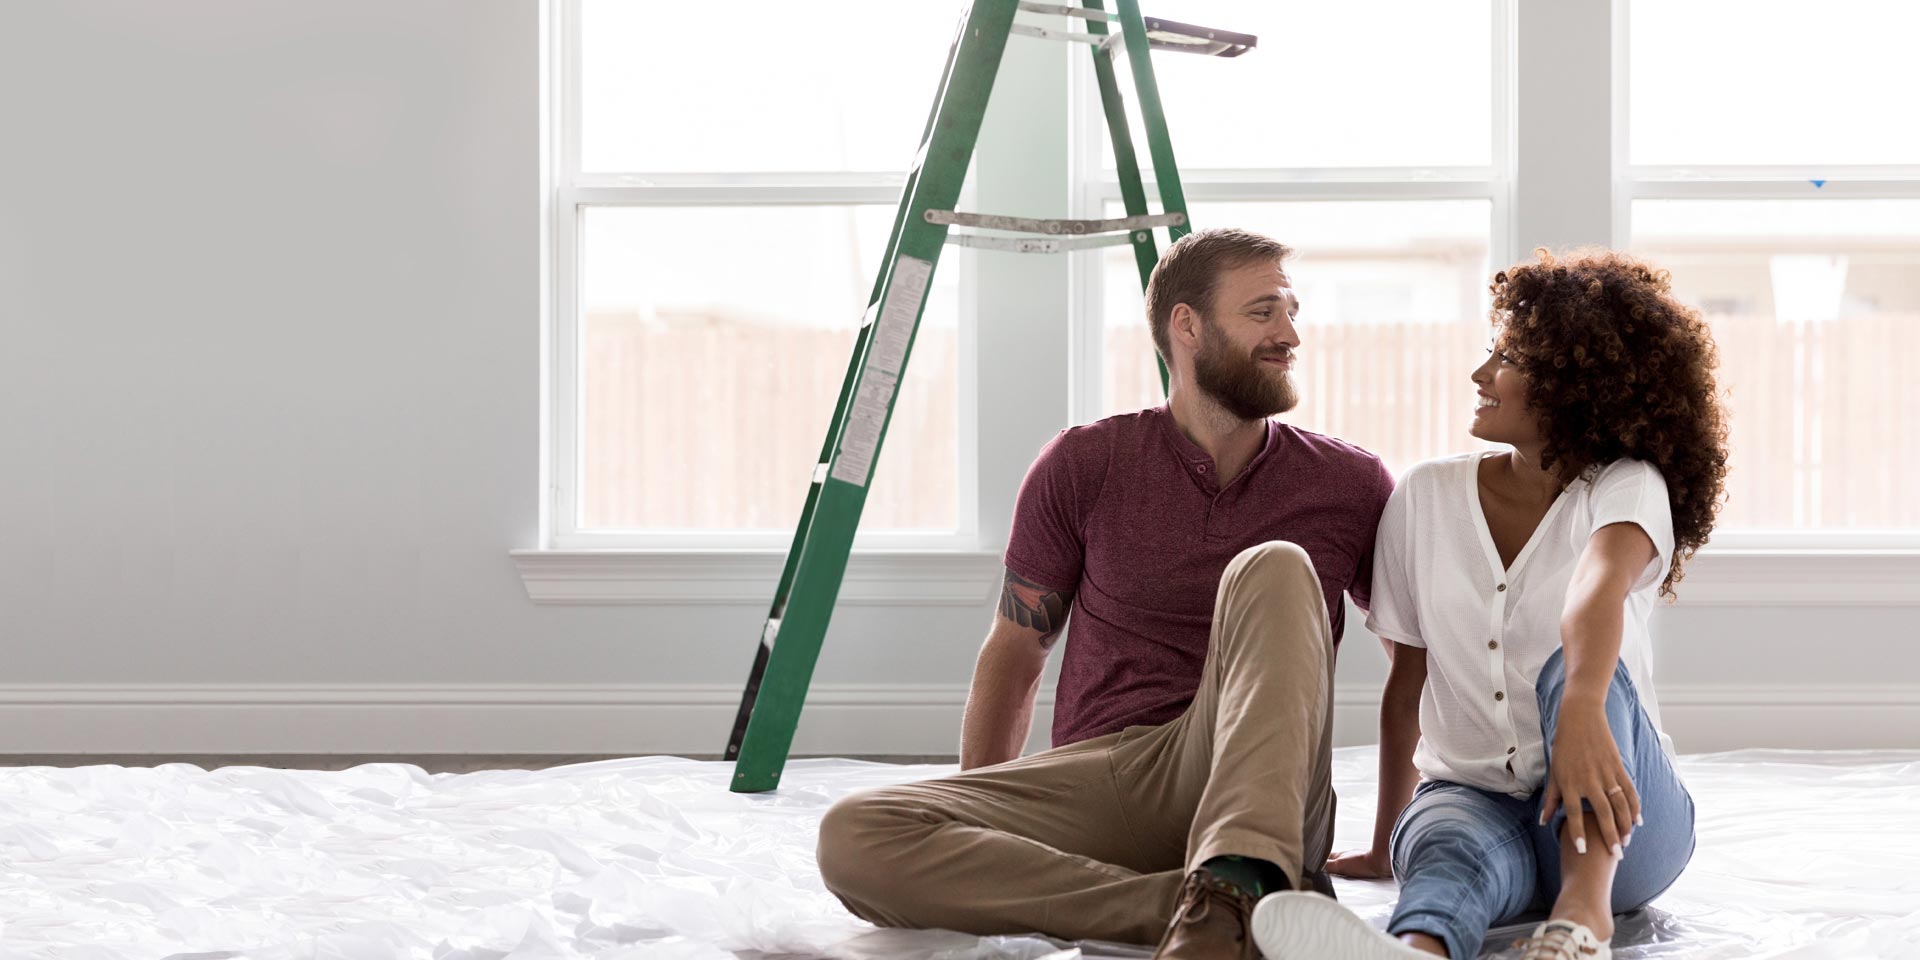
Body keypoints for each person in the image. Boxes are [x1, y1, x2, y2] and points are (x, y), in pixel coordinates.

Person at [815, 227, 1395, 959]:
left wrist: (1386, 843)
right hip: (1114, 779)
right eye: (1264, 312)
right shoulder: (1087, 462)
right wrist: (984, 822)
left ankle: (1240, 873)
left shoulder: (1350, 483)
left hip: (1266, 781)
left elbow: (1418, 657)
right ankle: (1202, 911)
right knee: (856, 833)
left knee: (1276, 567)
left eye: (1292, 311)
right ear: (1187, 325)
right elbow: (1017, 651)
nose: (1290, 335)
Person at [1254, 249, 1730, 960]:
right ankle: (1416, 949)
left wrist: (1579, 711)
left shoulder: (1627, 485)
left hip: (1626, 815)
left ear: (1578, 385)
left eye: (1510, 359)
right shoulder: (1425, 497)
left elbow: (1594, 595)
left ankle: (1581, 922)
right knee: (1444, 854)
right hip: (1474, 799)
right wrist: (1388, 840)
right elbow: (1408, 682)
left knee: (1573, 672)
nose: (1481, 375)